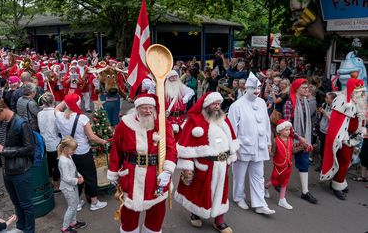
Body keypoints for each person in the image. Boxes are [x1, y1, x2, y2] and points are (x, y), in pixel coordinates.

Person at [107, 93, 177, 233]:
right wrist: (114, 172)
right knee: (129, 216)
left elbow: (171, 148)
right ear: (137, 108)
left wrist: (167, 171)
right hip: (131, 174)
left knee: (156, 216)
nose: (148, 111)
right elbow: (116, 150)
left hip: (156, 175)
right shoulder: (125, 124)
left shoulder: (162, 124)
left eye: (150, 107)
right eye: (144, 108)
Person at [174, 92, 238, 233]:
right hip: (203, 165)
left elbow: (232, 139)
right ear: (206, 105)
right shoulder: (194, 121)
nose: (217, 107)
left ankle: (219, 221)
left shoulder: (224, 119)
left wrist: (231, 156)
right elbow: (186, 146)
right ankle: (195, 212)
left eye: (218, 104)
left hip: (222, 164)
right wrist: (187, 167)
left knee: (221, 192)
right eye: (214, 104)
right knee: (198, 191)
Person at [0, 99, 36, 233]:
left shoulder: (21, 123)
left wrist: (3, 150)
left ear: (1, 111)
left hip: (21, 171)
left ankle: (29, 230)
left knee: (26, 204)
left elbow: (29, 149)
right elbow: (4, 143)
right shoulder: (2, 122)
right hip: (8, 171)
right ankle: (21, 227)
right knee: (17, 203)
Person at [228, 72, 275, 215]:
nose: (256, 91)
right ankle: (238, 197)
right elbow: (231, 129)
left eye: (258, 88)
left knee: (258, 175)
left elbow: (266, 123)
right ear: (246, 88)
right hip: (243, 147)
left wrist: (268, 141)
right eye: (253, 88)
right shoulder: (236, 106)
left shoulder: (261, 103)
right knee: (239, 175)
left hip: (259, 147)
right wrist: (233, 148)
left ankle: (259, 203)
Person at [55, 93, 107, 211]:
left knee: (74, 176)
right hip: (82, 151)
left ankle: (77, 203)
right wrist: (103, 141)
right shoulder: (82, 118)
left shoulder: (59, 116)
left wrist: (66, 101)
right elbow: (92, 137)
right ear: (78, 103)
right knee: (90, 176)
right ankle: (94, 202)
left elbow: (57, 108)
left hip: (68, 152)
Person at [320, 78, 366, 200]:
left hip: (353, 137)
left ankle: (340, 181)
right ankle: (337, 185)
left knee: (346, 161)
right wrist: (340, 139)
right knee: (343, 161)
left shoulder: (358, 102)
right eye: (361, 92)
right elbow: (337, 124)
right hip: (344, 138)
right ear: (354, 92)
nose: (363, 94)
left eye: (363, 92)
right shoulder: (343, 102)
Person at [283, 78, 316, 204]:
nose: (307, 89)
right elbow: (286, 126)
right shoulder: (289, 103)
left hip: (304, 140)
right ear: (297, 89)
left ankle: (305, 192)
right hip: (291, 139)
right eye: (304, 87)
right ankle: (270, 185)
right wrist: (298, 137)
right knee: (284, 164)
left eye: (307, 87)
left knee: (304, 164)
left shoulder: (306, 101)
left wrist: (305, 139)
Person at [58, 137, 87, 233]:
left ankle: (73, 223)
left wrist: (79, 175)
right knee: (71, 207)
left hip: (72, 186)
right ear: (66, 149)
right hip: (67, 187)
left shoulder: (68, 156)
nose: (74, 152)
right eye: (73, 150)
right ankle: (65, 228)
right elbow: (66, 178)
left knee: (75, 204)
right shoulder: (63, 161)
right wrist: (77, 181)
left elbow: (73, 169)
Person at [264, 119, 294, 210]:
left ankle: (282, 199)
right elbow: (273, 153)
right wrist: (268, 151)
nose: (288, 132)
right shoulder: (275, 141)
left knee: (285, 182)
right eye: (286, 130)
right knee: (274, 181)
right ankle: (265, 187)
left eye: (289, 130)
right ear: (280, 131)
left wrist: (302, 147)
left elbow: (292, 151)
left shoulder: (290, 140)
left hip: (288, 165)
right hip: (279, 166)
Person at [37, 92, 61, 192]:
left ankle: (50, 182)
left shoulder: (39, 113)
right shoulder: (55, 113)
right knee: (56, 165)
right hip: (55, 142)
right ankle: (56, 185)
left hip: (44, 142)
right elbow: (59, 129)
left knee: (48, 164)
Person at [164, 70, 194, 140]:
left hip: (181, 118)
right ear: (168, 78)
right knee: (170, 137)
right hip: (169, 118)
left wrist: (186, 97)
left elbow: (191, 91)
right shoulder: (163, 88)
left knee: (182, 137)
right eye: (172, 77)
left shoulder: (181, 86)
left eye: (175, 77)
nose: (174, 78)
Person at [315, 92, 336, 172]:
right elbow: (319, 116)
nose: (325, 99)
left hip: (328, 132)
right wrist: (319, 112)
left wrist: (324, 112)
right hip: (321, 130)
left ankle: (327, 167)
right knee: (321, 150)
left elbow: (332, 120)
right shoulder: (324, 104)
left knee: (327, 150)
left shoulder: (335, 108)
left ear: (332, 99)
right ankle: (322, 165)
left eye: (327, 98)